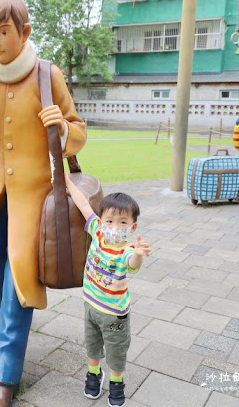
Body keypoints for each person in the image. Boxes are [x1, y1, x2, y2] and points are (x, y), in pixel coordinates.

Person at [0, 0, 87, 406]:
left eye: (4, 31)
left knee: (20, 275)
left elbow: (78, 129)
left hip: (37, 197)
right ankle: (0, 312)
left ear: (24, 32)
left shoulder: (48, 76)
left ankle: (3, 377)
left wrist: (63, 130)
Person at [65, 174, 151, 407]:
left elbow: (132, 264)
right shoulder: (98, 232)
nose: (115, 227)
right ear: (101, 221)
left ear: (132, 227)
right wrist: (67, 181)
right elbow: (83, 204)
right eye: (110, 220)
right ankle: (94, 374)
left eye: (123, 222)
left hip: (115, 314)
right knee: (92, 344)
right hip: (91, 305)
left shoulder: (127, 249)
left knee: (116, 351)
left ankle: (116, 381)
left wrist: (139, 255)